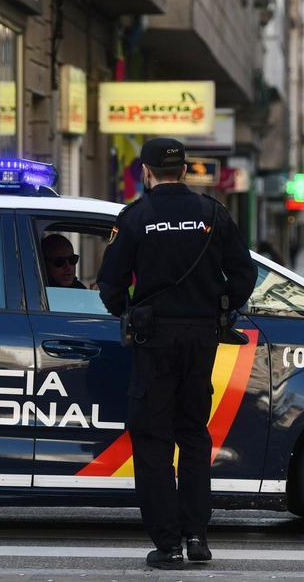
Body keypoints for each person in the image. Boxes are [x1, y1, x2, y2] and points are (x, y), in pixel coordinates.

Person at [97, 137, 258, 571]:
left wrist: (131, 314)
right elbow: (245, 273)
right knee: (192, 434)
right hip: (202, 339)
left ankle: (167, 544)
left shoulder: (136, 217)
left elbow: (109, 284)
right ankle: (197, 536)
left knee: (152, 439)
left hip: (154, 342)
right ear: (185, 171)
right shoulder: (212, 213)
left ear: (145, 172)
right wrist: (219, 305)